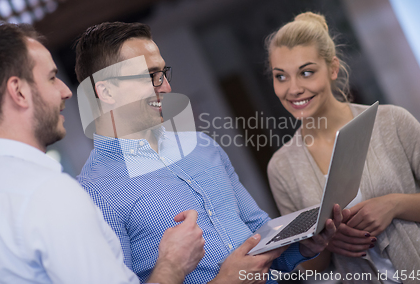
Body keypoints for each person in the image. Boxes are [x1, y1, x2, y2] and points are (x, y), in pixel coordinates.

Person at [74, 21, 344, 284]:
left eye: (163, 74)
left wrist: (304, 245)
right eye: (150, 77)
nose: (166, 87)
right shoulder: (93, 195)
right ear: (106, 91)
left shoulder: (202, 146)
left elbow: (259, 233)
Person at [0, 23, 205, 284]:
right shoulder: (50, 193)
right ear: (19, 92)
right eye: (51, 77)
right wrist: (173, 264)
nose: (66, 91)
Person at [266, 12, 420, 284]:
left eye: (306, 72)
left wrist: (395, 204)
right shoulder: (281, 168)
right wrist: (323, 243)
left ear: (333, 68)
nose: (293, 89)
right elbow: (308, 266)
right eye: (281, 77)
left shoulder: (392, 121)